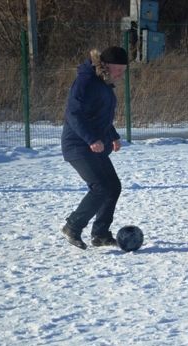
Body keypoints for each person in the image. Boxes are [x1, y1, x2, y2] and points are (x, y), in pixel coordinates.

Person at [60, 46, 129, 250]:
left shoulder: (102, 83)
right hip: (78, 144)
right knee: (100, 187)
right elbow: (74, 113)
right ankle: (72, 226)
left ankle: (100, 234)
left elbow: (100, 116)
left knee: (113, 187)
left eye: (123, 70)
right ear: (106, 66)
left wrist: (113, 135)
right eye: (119, 70)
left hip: (94, 145)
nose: (120, 75)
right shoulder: (86, 81)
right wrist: (90, 138)